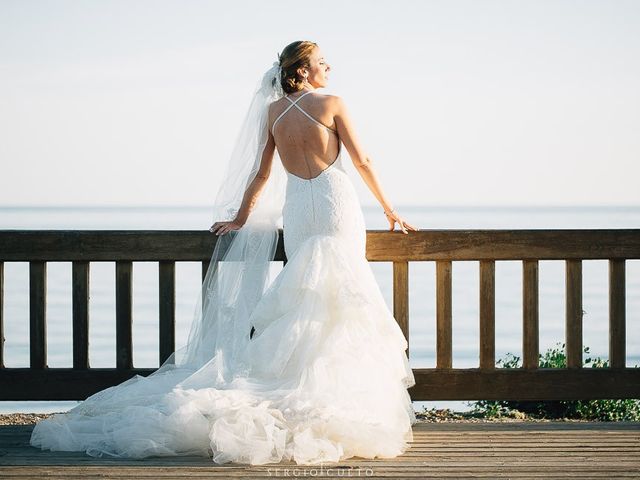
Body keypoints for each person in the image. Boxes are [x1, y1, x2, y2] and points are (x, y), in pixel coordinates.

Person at [29, 40, 419, 465]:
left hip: (299, 210)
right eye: (322, 61)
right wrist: (389, 209)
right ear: (302, 71)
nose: (330, 66)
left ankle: (296, 380)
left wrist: (239, 218)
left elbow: (262, 173)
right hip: (333, 203)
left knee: (305, 294)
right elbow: (362, 159)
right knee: (339, 295)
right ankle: (335, 394)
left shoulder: (274, 113)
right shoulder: (333, 103)